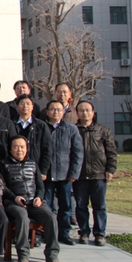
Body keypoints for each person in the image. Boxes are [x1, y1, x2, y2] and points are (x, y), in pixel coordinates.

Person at [0, 136, 62, 262]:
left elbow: (40, 185)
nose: (19, 150)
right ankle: (23, 255)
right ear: (10, 149)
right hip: (14, 203)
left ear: (27, 149)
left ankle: (52, 255)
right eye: (16, 147)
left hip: (34, 202)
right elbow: (2, 186)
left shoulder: (33, 164)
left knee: (51, 217)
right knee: (22, 217)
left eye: (22, 147)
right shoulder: (3, 164)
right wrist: (14, 197)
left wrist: (39, 197)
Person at [74, 101, 117, 246]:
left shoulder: (103, 130)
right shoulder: (74, 130)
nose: (84, 113)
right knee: (81, 206)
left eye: (87, 110)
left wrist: (110, 170)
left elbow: (111, 152)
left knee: (99, 206)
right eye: (81, 110)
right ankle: (84, 232)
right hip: (79, 175)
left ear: (93, 112)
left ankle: (100, 234)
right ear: (77, 113)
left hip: (99, 175)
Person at [44, 100, 83, 246]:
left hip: (65, 174)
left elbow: (78, 152)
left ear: (63, 112)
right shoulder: (42, 127)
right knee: (47, 207)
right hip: (47, 174)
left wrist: (74, 172)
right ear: (47, 111)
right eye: (53, 109)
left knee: (65, 206)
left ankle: (64, 234)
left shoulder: (71, 129)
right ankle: (48, 234)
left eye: (59, 109)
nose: (56, 112)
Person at [14, 94, 52, 180]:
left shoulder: (41, 125)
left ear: (32, 106)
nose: (25, 106)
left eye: (28, 103)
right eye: (22, 103)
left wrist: (43, 170)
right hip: (15, 168)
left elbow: (47, 149)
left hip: (35, 167)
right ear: (18, 106)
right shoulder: (11, 124)